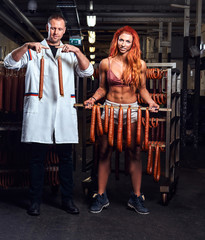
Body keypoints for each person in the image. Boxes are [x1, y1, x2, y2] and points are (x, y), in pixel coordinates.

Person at [4, 14, 94, 216]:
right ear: (47, 28)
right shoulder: (34, 50)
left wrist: (78, 51)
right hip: (40, 111)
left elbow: (88, 72)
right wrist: (26, 46)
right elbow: (10, 63)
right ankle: (34, 201)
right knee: (37, 159)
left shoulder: (70, 53)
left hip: (62, 112)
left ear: (64, 31)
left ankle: (68, 200)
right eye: (52, 28)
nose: (56, 32)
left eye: (60, 29)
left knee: (66, 159)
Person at [84, 26, 159, 215]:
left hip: (131, 111)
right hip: (109, 110)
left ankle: (136, 196)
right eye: (121, 40)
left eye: (128, 41)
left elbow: (142, 89)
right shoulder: (105, 63)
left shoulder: (140, 65)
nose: (124, 44)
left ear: (133, 44)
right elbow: (102, 88)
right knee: (103, 153)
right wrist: (93, 99)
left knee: (134, 153)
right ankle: (101, 195)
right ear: (115, 41)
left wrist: (150, 102)